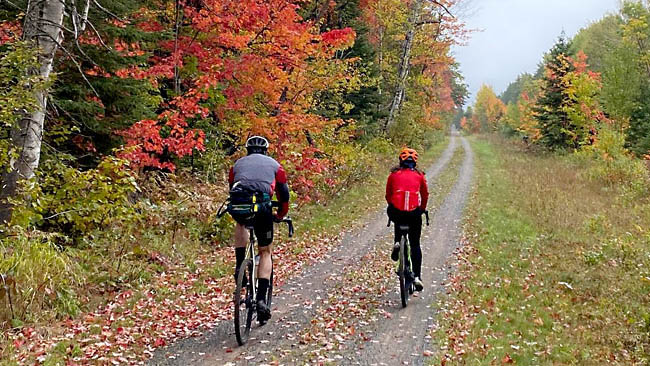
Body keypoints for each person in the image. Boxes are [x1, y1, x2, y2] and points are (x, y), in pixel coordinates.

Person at [228, 136, 290, 323]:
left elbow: (232, 187)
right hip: (262, 207)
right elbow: (284, 194)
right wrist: (280, 214)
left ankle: (240, 263)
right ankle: (262, 299)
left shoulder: (238, 164)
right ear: (266, 150)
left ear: (247, 150)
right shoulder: (275, 165)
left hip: (240, 204)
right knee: (265, 251)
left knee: (241, 223)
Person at [385, 147, 429, 292]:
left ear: (400, 161)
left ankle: (397, 242)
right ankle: (417, 276)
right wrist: (422, 208)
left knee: (395, 213)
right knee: (415, 244)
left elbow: (388, 195)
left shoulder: (393, 175)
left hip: (397, 213)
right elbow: (425, 194)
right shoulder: (420, 175)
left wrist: (392, 205)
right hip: (413, 215)